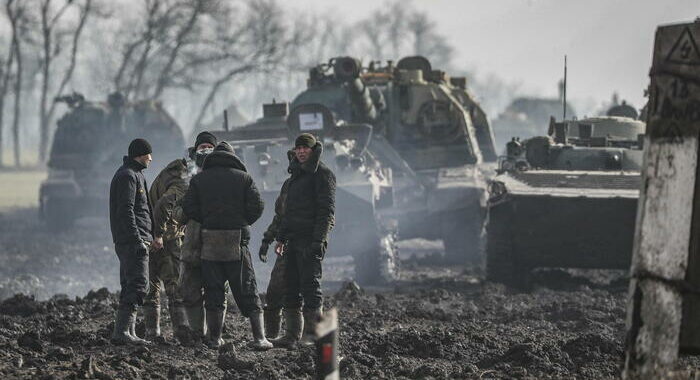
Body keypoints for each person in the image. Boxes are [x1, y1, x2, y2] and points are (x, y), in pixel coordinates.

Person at [182, 141, 272, 350]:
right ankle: (259, 338)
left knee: (214, 292)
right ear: (233, 157)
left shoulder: (199, 179)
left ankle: (214, 339)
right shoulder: (244, 178)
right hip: (237, 241)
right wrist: (242, 221)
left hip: (210, 242)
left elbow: (189, 207)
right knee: (247, 289)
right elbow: (257, 206)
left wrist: (207, 219)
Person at [271, 133, 336, 349]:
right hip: (291, 240)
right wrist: (280, 237)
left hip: (310, 240)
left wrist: (319, 241)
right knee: (290, 287)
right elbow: (288, 213)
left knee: (310, 287)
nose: (300, 152)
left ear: (313, 150)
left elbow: (326, 212)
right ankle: (291, 335)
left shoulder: (323, 174)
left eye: (305, 148)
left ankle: (314, 335)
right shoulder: (294, 177)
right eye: (298, 148)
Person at [109, 138, 160, 345]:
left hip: (137, 239)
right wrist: (138, 240)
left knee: (130, 284)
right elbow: (126, 211)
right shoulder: (127, 176)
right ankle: (121, 332)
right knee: (139, 285)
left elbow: (143, 209)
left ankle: (127, 332)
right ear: (140, 154)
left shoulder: (136, 174)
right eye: (149, 154)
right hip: (132, 242)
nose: (151, 158)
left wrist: (153, 234)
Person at [144, 154, 190, 341]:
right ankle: (182, 332)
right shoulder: (181, 181)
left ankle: (152, 331)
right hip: (166, 239)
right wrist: (160, 234)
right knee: (175, 286)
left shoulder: (168, 174)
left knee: (152, 286)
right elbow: (164, 205)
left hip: (151, 234)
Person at [177, 131, 217, 340]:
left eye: (209, 147)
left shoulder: (226, 173)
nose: (205, 150)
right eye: (202, 147)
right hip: (192, 241)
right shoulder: (186, 177)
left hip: (217, 243)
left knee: (216, 290)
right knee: (189, 288)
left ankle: (214, 333)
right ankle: (196, 332)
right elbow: (178, 211)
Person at [258, 178, 289, 339]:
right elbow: (280, 217)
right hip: (288, 245)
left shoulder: (318, 180)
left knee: (308, 293)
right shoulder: (288, 184)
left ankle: (306, 337)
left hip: (306, 244)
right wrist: (267, 240)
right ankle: (272, 335)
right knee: (275, 291)